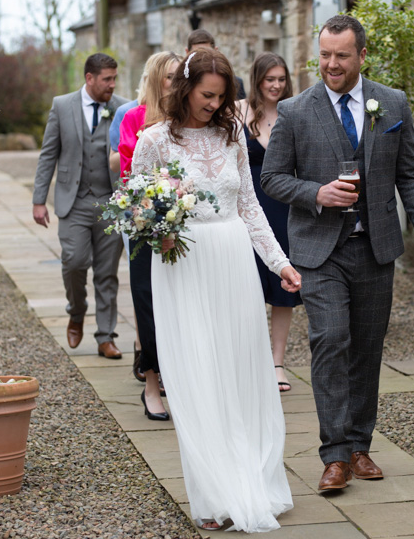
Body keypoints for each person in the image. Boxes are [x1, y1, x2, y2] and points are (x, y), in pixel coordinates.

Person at [261, 15, 414, 492]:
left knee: (366, 348)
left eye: (341, 55)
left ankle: (360, 445)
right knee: (331, 341)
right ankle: (335, 454)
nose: (331, 64)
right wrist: (317, 194)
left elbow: (411, 176)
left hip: (377, 248)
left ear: (362, 56)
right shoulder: (297, 111)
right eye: (324, 55)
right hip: (320, 251)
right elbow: (272, 178)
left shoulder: (393, 103)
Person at [131, 47, 301, 532]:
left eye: (221, 96)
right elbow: (135, 211)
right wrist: (156, 229)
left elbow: (250, 207)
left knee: (241, 372)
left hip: (233, 262)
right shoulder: (154, 142)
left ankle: (254, 478)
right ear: (184, 90)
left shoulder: (232, 136)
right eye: (207, 95)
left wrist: (281, 264)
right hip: (183, 266)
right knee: (199, 375)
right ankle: (215, 491)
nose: (213, 104)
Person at [33, 53, 129, 359]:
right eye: (107, 79)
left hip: (111, 202)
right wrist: (38, 199)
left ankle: (105, 335)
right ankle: (76, 311)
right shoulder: (62, 106)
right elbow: (49, 154)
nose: (112, 85)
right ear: (89, 78)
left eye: (115, 78)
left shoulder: (122, 109)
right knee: (73, 262)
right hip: (73, 201)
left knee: (107, 273)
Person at [113, 51, 181, 420]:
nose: (175, 83)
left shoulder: (190, 121)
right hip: (143, 221)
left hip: (185, 225)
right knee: (148, 302)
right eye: (169, 77)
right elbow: (129, 170)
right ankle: (152, 384)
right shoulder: (134, 118)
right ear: (157, 80)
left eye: (179, 76)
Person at [235, 53, 300, 392]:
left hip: (284, 210)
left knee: (282, 291)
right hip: (246, 209)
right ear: (257, 79)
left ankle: (277, 363)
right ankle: (248, 360)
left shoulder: (294, 112)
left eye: (281, 79)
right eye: (270, 79)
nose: (276, 85)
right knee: (247, 285)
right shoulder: (236, 111)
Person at [186, 29, 246, 100]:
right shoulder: (182, 82)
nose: (202, 59)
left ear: (216, 51)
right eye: (197, 54)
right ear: (187, 52)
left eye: (206, 53)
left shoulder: (235, 83)